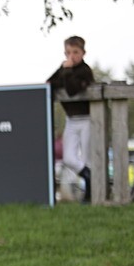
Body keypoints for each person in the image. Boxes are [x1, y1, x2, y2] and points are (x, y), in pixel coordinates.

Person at [47, 36, 94, 202]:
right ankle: (88, 177)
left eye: (75, 52)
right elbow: (51, 82)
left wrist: (66, 73)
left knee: (87, 157)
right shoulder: (64, 68)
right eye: (68, 52)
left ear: (83, 53)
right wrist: (64, 73)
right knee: (69, 158)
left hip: (88, 119)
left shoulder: (85, 71)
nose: (71, 56)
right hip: (71, 120)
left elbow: (73, 90)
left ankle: (90, 194)